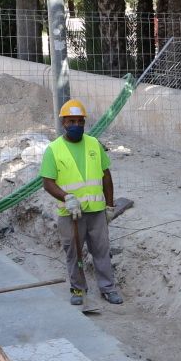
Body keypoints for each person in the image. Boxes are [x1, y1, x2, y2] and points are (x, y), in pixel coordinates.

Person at [39, 99, 123, 305]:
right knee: (73, 252)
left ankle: (108, 288)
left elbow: (106, 176)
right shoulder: (54, 149)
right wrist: (67, 198)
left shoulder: (94, 144)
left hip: (96, 211)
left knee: (101, 251)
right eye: (71, 121)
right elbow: (47, 183)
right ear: (63, 123)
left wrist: (110, 205)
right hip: (70, 214)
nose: (76, 125)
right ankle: (77, 289)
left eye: (80, 121)